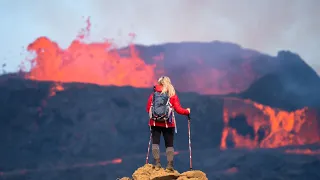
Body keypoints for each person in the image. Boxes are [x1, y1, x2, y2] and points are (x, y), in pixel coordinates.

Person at [146, 76, 190, 172]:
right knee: (169, 145)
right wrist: (187, 111)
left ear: (159, 83)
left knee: (155, 143)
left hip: (154, 123)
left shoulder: (153, 95)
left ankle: (157, 163)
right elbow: (178, 109)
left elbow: (148, 108)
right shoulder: (172, 95)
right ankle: (169, 165)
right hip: (168, 124)